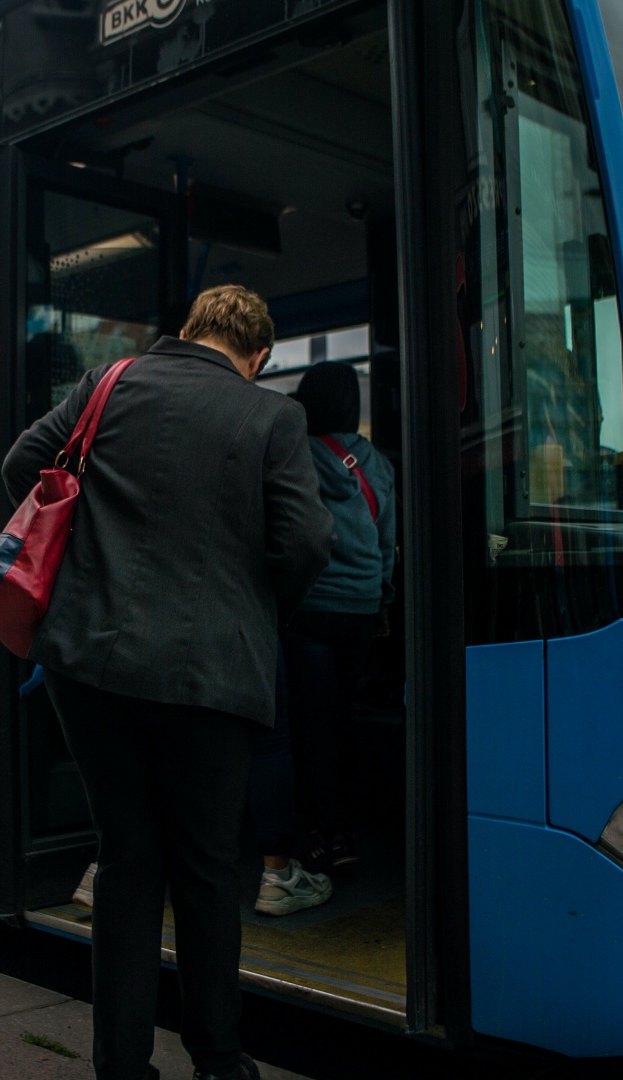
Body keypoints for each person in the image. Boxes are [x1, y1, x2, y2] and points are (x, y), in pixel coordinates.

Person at [3, 285, 334, 1080]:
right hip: (209, 675)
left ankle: (122, 1065)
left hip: (90, 665)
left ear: (184, 331)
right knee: (208, 868)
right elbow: (308, 545)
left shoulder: (109, 382)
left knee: (126, 858)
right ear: (259, 357)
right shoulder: (272, 416)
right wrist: (250, 606)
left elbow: (23, 464)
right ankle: (219, 1061)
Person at [282, 361, 397, 875]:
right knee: (346, 720)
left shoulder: (296, 456)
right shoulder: (375, 462)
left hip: (310, 608)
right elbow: (388, 542)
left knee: (312, 724)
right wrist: (383, 603)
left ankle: (321, 831)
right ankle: (350, 827)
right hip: (362, 610)